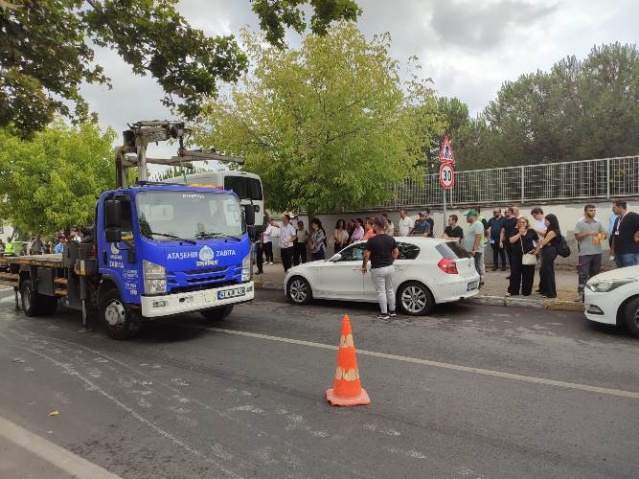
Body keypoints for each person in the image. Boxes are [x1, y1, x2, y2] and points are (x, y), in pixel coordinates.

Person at [362, 219, 399, 320]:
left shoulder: (372, 240)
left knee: (381, 291)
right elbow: (396, 252)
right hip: (390, 267)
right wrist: (391, 261)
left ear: (377, 227)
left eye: (373, 225)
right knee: (390, 289)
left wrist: (364, 266)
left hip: (378, 268)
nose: (372, 227)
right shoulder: (390, 239)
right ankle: (392, 311)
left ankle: (384, 313)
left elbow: (366, 255)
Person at [574, 204, 607, 301]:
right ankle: (581, 294)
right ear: (585, 212)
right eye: (590, 210)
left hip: (597, 252)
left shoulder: (598, 221)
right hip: (584, 253)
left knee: (595, 274)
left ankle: (593, 293)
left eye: (594, 210)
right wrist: (589, 233)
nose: (593, 212)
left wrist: (600, 236)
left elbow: (605, 235)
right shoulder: (580, 222)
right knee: (583, 274)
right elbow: (577, 237)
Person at [507, 216, 539, 297]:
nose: (522, 224)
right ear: (518, 223)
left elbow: (538, 240)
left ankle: (526, 291)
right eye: (520, 222)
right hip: (516, 256)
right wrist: (519, 234)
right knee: (515, 273)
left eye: (523, 222)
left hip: (529, 255)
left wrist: (537, 250)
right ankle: (513, 291)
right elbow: (511, 240)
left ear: (527, 223)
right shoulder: (515, 230)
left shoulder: (531, 231)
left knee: (528, 274)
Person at [535, 213, 562, 298]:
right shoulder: (551, 230)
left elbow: (544, 242)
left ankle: (551, 293)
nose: (544, 222)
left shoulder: (552, 231)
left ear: (550, 221)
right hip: (548, 251)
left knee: (548, 271)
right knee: (544, 271)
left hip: (550, 252)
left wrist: (540, 243)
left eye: (546, 221)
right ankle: (544, 290)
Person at [610, 200, 639, 267]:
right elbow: (614, 235)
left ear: (620, 207)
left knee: (629, 274)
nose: (612, 209)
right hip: (618, 253)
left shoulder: (633, 216)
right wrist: (612, 249)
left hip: (629, 253)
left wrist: (637, 235)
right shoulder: (617, 219)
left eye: (614, 207)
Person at [462, 210, 485, 284]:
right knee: (473, 266)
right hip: (471, 250)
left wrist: (474, 249)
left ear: (472, 216)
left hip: (475, 250)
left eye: (467, 217)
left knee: (476, 266)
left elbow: (478, 236)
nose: (466, 218)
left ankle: (478, 282)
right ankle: (476, 281)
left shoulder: (478, 224)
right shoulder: (472, 224)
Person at [500, 207, 518, 275]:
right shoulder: (504, 221)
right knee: (510, 259)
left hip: (515, 243)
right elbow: (502, 231)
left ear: (511, 212)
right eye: (504, 212)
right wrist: (500, 241)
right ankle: (512, 274)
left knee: (515, 259)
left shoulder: (516, 220)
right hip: (507, 243)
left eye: (506, 212)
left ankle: (517, 274)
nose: (505, 213)